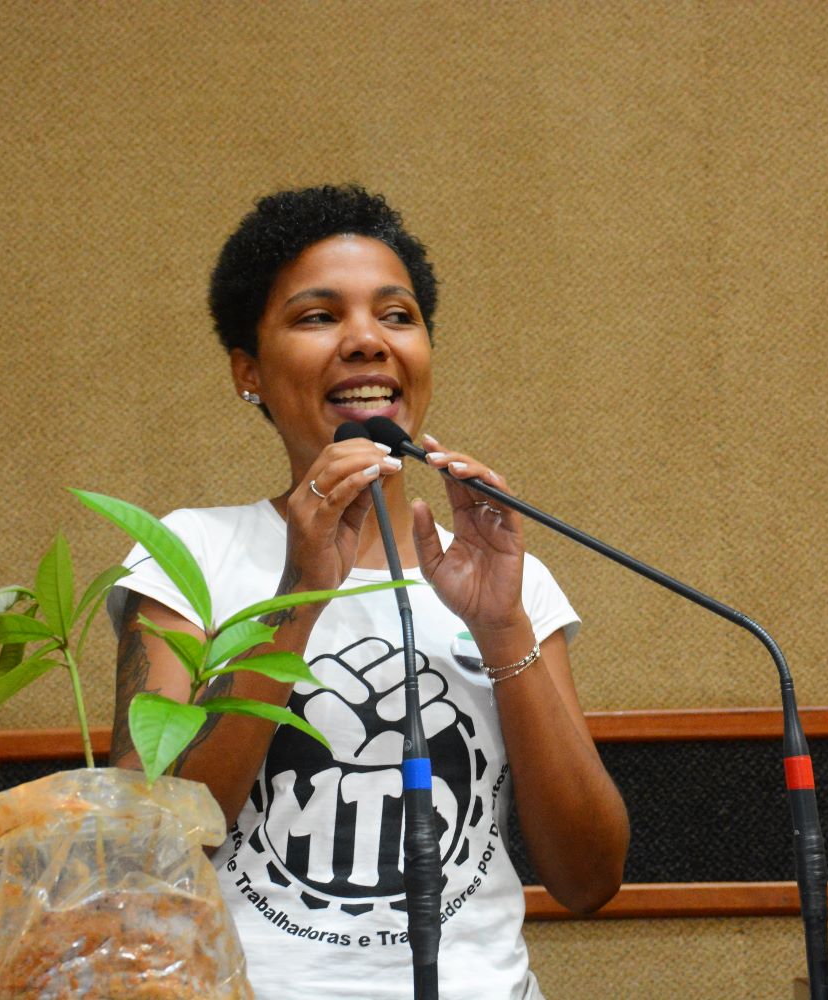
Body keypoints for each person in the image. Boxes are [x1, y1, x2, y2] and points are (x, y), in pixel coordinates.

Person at [107, 185, 629, 1000]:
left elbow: (588, 877)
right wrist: (300, 595)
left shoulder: (505, 573)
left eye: (397, 315)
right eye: (319, 317)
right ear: (249, 372)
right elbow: (145, 851)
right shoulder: (192, 556)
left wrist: (503, 629)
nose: (366, 341)